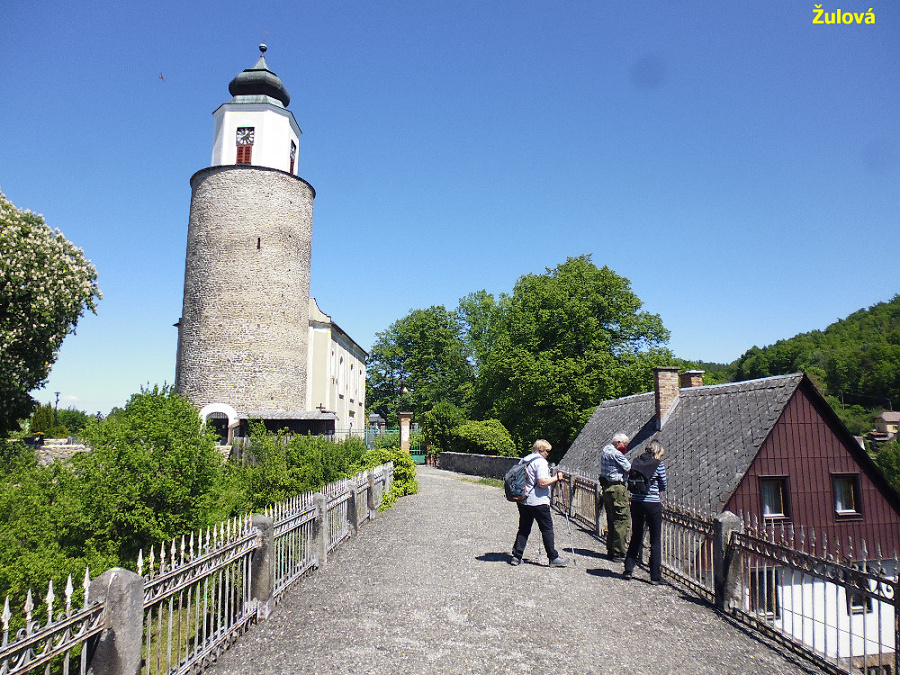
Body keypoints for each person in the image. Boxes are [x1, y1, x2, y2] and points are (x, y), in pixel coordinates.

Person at [509, 439, 569, 567]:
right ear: (541, 450)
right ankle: (553, 557)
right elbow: (542, 483)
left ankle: (516, 556)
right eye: (547, 451)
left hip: (523, 500)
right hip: (538, 501)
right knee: (547, 528)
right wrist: (556, 478)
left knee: (524, 528)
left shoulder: (525, 459)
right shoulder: (540, 462)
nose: (548, 454)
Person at [623, 439, 668, 584]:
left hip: (636, 502)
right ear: (658, 451)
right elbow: (663, 483)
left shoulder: (636, 461)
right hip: (652, 504)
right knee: (654, 539)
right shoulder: (658, 464)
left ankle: (628, 569)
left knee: (636, 535)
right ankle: (655, 576)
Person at [599, 432, 631, 559]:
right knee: (621, 520)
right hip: (617, 488)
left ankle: (611, 548)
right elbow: (629, 468)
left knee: (611, 519)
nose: (626, 447)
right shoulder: (616, 454)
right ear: (619, 443)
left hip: (607, 488)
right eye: (625, 445)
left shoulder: (605, 450)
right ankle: (618, 552)